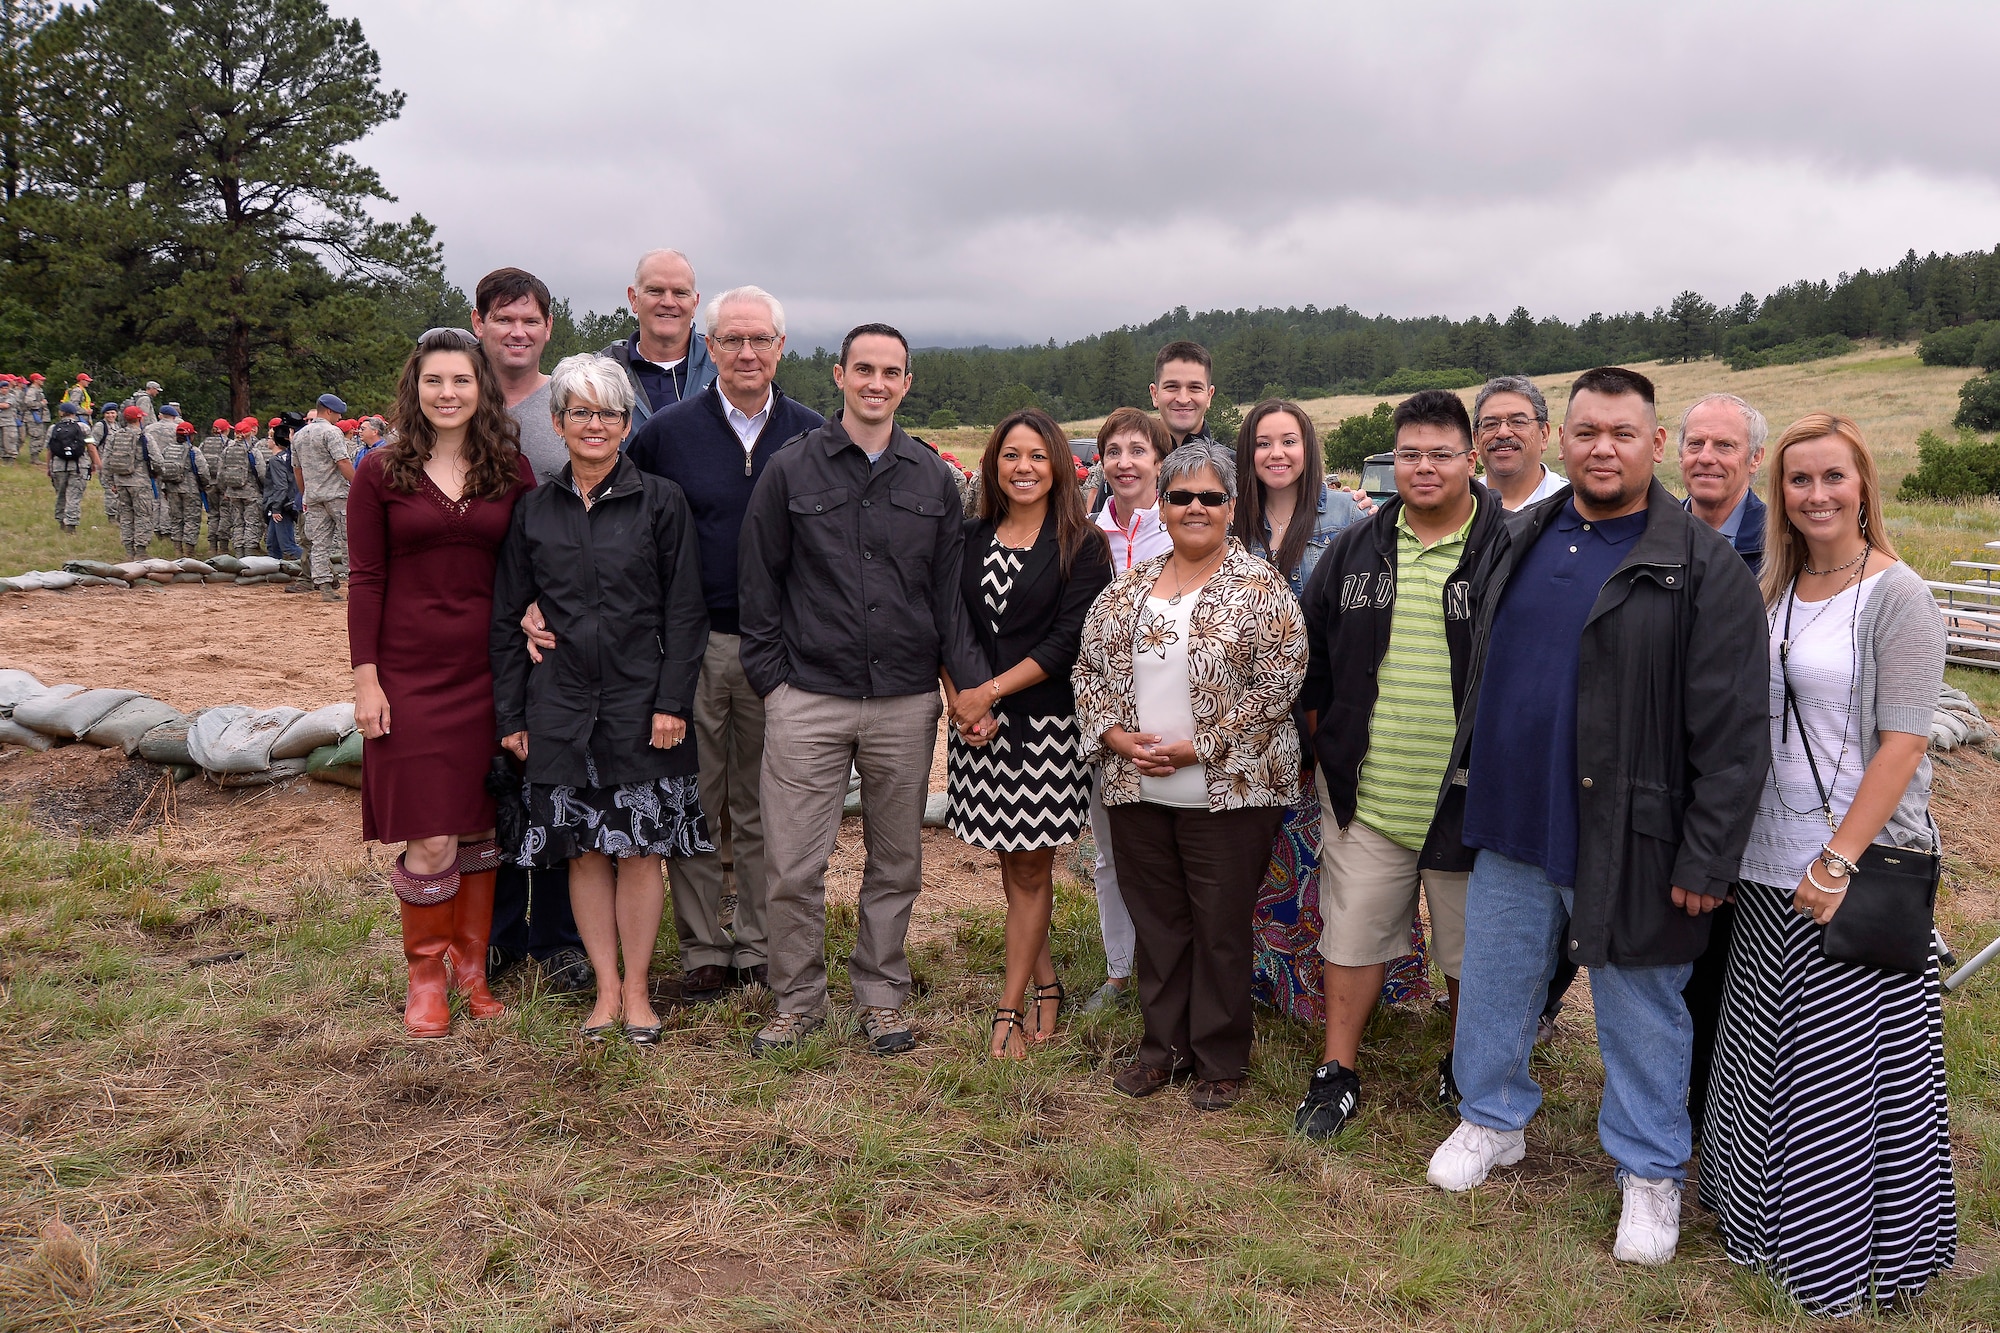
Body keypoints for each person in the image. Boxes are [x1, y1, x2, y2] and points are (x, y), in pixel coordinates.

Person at [1425, 367, 1768, 1268]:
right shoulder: (1521, 533)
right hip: (1512, 811)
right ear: (1560, 439)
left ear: (1655, 445)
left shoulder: (1701, 567)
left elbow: (1734, 731)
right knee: (1497, 982)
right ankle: (1491, 1118)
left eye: (1622, 432)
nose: (1602, 447)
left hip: (1632, 833)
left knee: (1642, 1007)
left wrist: (1708, 855)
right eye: (1586, 431)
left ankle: (1651, 1170)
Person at [1699, 413, 1955, 1315]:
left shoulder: (1897, 594)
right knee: (1764, 1045)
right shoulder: (1776, 583)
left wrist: (1839, 858)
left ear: (1863, 485)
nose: (1815, 495)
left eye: (1832, 478)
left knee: (1840, 1067)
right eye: (1799, 479)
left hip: (1853, 862)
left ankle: (1837, 1252)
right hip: (1767, 857)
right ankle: (1759, 1224)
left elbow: (1906, 738)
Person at [737, 322, 990, 1057]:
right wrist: (774, 686)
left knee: (896, 860)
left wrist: (963, 687)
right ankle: (797, 1000)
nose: (878, 383)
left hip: (905, 698)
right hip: (807, 693)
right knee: (792, 862)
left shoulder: (933, 479)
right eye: (865, 369)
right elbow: (760, 586)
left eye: (893, 372)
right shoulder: (791, 469)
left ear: (907, 383)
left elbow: (948, 598)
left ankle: (880, 993)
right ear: (840, 375)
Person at [1290, 390, 1510, 1139]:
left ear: (1470, 458)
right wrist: (1321, 750)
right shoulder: (1355, 547)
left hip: (1471, 799)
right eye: (1409, 454)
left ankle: (1464, 1068)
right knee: (1350, 936)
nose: (1423, 467)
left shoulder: (1508, 549)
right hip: (1368, 792)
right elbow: (1311, 660)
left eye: (1440, 453)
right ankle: (1337, 1071)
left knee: (1469, 950)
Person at [1073, 440, 1307, 1111]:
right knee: (1160, 923)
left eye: (1210, 497)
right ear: (1163, 505)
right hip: (1135, 787)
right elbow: (1087, 671)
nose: (1195, 507)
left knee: (1220, 927)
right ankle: (1162, 1047)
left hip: (1231, 789)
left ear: (1232, 507)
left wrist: (1195, 747)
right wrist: (1116, 736)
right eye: (1181, 497)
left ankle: (1220, 1056)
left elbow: (1277, 685)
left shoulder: (1262, 588)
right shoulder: (1128, 589)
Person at [492, 353, 712, 1043]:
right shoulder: (534, 510)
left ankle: (641, 991)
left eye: (608, 412)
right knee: (584, 849)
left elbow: (686, 612)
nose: (594, 424)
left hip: (641, 703)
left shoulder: (662, 502)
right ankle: (606, 990)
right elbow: (509, 617)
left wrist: (672, 700)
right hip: (558, 706)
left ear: (626, 423)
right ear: (557, 422)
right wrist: (514, 716)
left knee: (642, 849)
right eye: (580, 411)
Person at [619, 285, 823, 1000]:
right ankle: (705, 947)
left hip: (781, 650)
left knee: (771, 801)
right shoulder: (666, 435)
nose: (745, 352)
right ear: (709, 348)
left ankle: (763, 947)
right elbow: (628, 529)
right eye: (731, 340)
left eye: (759, 339)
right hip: (692, 645)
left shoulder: (811, 434)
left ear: (779, 348)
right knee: (697, 799)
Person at [348, 327, 536, 1038]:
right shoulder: (381, 471)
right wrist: (367, 679)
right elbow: (364, 579)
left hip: (490, 671)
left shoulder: (509, 470)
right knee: (430, 837)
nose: (448, 393)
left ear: (481, 388)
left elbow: (533, 558)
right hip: (409, 674)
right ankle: (424, 976)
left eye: (461, 381)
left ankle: (472, 968)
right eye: (435, 381)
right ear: (415, 388)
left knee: (480, 826)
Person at [1229, 398, 1406, 1026]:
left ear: (1309, 448)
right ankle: (1267, 983)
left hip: (1322, 708)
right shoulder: (1229, 520)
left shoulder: (1349, 517)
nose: (1277, 454)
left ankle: (1336, 993)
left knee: (1333, 851)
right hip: (1247, 710)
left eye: (1289, 441)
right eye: (1263, 442)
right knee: (1262, 849)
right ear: (1247, 453)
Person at [944, 408, 1112, 1057]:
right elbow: (950, 623)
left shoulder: (1082, 543)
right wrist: (960, 699)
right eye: (1012, 455)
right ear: (993, 463)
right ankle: (1045, 979)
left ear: (1060, 467)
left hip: (1043, 729)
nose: (1023, 467)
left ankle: (1010, 1009)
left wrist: (989, 691)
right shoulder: (968, 536)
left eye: (1038, 456)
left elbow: (1066, 640)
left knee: (1033, 865)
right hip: (976, 726)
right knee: (1009, 860)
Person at [472, 268, 592, 994]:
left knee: (551, 776)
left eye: (530, 319)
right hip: (468, 618)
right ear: (479, 321)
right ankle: (490, 932)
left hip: (554, 629)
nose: (517, 331)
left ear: (549, 327)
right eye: (503, 318)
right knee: (483, 783)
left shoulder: (568, 401)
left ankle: (556, 936)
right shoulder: (454, 393)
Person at [1077, 406, 1176, 1016]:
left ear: (1160, 461)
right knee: (1111, 846)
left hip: (1176, 709)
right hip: (1102, 713)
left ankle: (1173, 961)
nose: (1125, 462)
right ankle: (1120, 970)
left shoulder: (1183, 525)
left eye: (1138, 450)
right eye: (1114, 451)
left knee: (1174, 844)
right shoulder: (1084, 533)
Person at [600, 249, 717, 429]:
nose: (668, 302)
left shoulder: (723, 369)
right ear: (633, 298)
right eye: (655, 291)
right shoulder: (599, 374)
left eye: (680, 293)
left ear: (695, 303)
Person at [1678, 392, 1768, 576]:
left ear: (1755, 458)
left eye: (1724, 445)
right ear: (1681, 455)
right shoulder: (1649, 532)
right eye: (1695, 443)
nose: (1705, 457)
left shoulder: (1781, 543)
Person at [292, 393, 354, 600]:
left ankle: (324, 584)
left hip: (313, 495)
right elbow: (343, 462)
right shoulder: (332, 432)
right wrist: (358, 485)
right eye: (338, 413)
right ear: (328, 411)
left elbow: (297, 470)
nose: (339, 418)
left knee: (319, 543)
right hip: (337, 494)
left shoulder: (299, 435)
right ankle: (355, 583)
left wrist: (305, 493)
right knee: (349, 540)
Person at [1472, 376, 1565, 513]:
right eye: (1491, 424)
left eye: (1518, 422)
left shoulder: (1572, 505)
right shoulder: (1459, 509)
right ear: (1476, 439)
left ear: (1544, 435)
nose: (1503, 433)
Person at [142, 406, 199, 556]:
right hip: (190, 488)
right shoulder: (193, 450)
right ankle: (189, 550)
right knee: (191, 518)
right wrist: (203, 484)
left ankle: (175, 548)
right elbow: (202, 470)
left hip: (169, 483)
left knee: (174, 516)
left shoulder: (158, 439)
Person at [103, 404, 154, 558]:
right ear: (139, 418)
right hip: (140, 482)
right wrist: (157, 473)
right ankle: (141, 551)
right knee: (143, 515)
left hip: (120, 482)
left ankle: (128, 551)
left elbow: (106, 461)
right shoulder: (144, 436)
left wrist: (110, 482)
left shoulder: (115, 436)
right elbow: (157, 460)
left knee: (125, 515)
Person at [1150, 341, 1222, 448]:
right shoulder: (1130, 463)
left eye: (1195, 387)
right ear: (1155, 394)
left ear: (1209, 396)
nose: (1183, 399)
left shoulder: (1235, 464)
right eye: (1172, 387)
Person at [45, 402, 100, 531]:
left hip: (58, 467)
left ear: (61, 413)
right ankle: (71, 524)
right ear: (74, 413)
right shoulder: (83, 427)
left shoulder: (53, 428)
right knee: (74, 496)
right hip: (78, 466)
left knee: (61, 494)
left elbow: (49, 450)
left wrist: (49, 467)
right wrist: (96, 463)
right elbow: (91, 447)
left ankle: (61, 521)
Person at [217, 417, 266, 556]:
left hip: (232, 493)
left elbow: (221, 473)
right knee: (251, 523)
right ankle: (249, 554)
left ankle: (238, 553)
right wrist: (264, 488)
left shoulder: (227, 450)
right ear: (250, 433)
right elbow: (262, 473)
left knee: (238, 523)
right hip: (251, 493)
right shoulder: (253, 451)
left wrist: (225, 490)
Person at [262, 417, 303, 559]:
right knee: (272, 544)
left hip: (281, 506)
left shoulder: (276, 460)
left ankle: (316, 566)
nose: (267, 441)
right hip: (287, 503)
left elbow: (281, 486)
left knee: (288, 546)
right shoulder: (290, 456)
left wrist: (276, 508)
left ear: (275, 441)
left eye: (269, 438)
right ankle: (277, 571)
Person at [197, 419, 231, 554]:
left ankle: (212, 546)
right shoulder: (229, 443)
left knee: (212, 514)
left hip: (209, 484)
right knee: (225, 514)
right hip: (224, 485)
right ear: (226, 430)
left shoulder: (204, 443)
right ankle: (223, 546)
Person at [21, 372, 48, 462]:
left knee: (41, 436)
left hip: (39, 416)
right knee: (36, 436)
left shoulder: (38, 390)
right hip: (33, 417)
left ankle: (36, 456)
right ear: (35, 380)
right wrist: (42, 403)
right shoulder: (32, 390)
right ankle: (34, 458)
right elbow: (28, 403)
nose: (43, 381)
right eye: (41, 379)